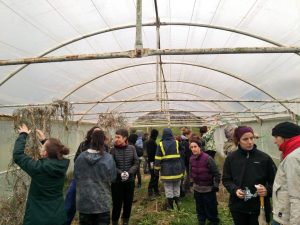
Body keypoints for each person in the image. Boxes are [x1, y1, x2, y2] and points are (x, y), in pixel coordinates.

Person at [13, 124, 70, 225]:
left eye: (42, 147)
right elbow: (55, 154)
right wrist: (45, 141)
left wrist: (23, 134)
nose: (40, 148)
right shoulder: (63, 165)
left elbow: (18, 155)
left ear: (45, 154)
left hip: (38, 218)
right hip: (57, 216)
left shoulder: (38, 168)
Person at [222, 126, 277, 225]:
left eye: (252, 138)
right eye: (245, 139)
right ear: (238, 140)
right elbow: (226, 180)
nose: (250, 142)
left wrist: (267, 190)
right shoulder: (231, 158)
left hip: (260, 207)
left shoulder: (264, 158)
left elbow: (276, 181)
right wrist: (235, 190)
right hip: (238, 208)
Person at [75, 130, 117, 225]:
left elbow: (76, 176)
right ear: (104, 141)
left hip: (84, 202)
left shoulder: (81, 157)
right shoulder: (108, 158)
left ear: (91, 140)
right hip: (102, 202)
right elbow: (113, 178)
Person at [64, 125, 101, 225]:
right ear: (91, 134)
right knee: (70, 201)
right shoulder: (83, 145)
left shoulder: (104, 147)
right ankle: (66, 221)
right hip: (79, 178)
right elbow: (76, 159)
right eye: (95, 133)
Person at [271, 122, 300, 225]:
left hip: (286, 218)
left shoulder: (292, 158)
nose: (275, 141)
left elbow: (296, 196)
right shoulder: (294, 152)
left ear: (286, 137)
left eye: (276, 137)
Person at [111, 129, 139, 225]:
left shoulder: (132, 148)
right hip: (117, 182)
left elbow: (136, 162)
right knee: (116, 204)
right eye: (116, 137)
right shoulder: (113, 150)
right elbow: (111, 165)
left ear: (125, 138)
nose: (116, 139)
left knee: (128, 203)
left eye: (118, 137)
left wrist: (129, 173)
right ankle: (115, 221)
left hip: (129, 181)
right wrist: (120, 173)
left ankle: (125, 221)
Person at [189, 139, 221, 225]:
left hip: (208, 188)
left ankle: (213, 221)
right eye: (191, 147)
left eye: (195, 146)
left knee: (210, 206)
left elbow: (216, 173)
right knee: (199, 206)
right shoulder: (191, 159)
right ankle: (201, 220)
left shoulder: (208, 158)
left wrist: (215, 185)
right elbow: (190, 172)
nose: (193, 149)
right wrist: (191, 181)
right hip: (197, 188)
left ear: (200, 147)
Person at [154, 128, 184, 210]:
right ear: (171, 134)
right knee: (177, 187)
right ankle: (177, 205)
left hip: (166, 170)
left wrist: (156, 170)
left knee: (168, 188)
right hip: (177, 169)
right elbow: (182, 152)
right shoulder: (177, 143)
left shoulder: (160, 144)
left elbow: (157, 158)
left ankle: (170, 207)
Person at [145, 129, 160, 197]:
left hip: (151, 162)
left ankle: (155, 190)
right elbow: (152, 154)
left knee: (154, 176)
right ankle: (151, 190)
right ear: (155, 135)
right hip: (152, 162)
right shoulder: (152, 142)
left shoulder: (150, 141)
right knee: (154, 176)